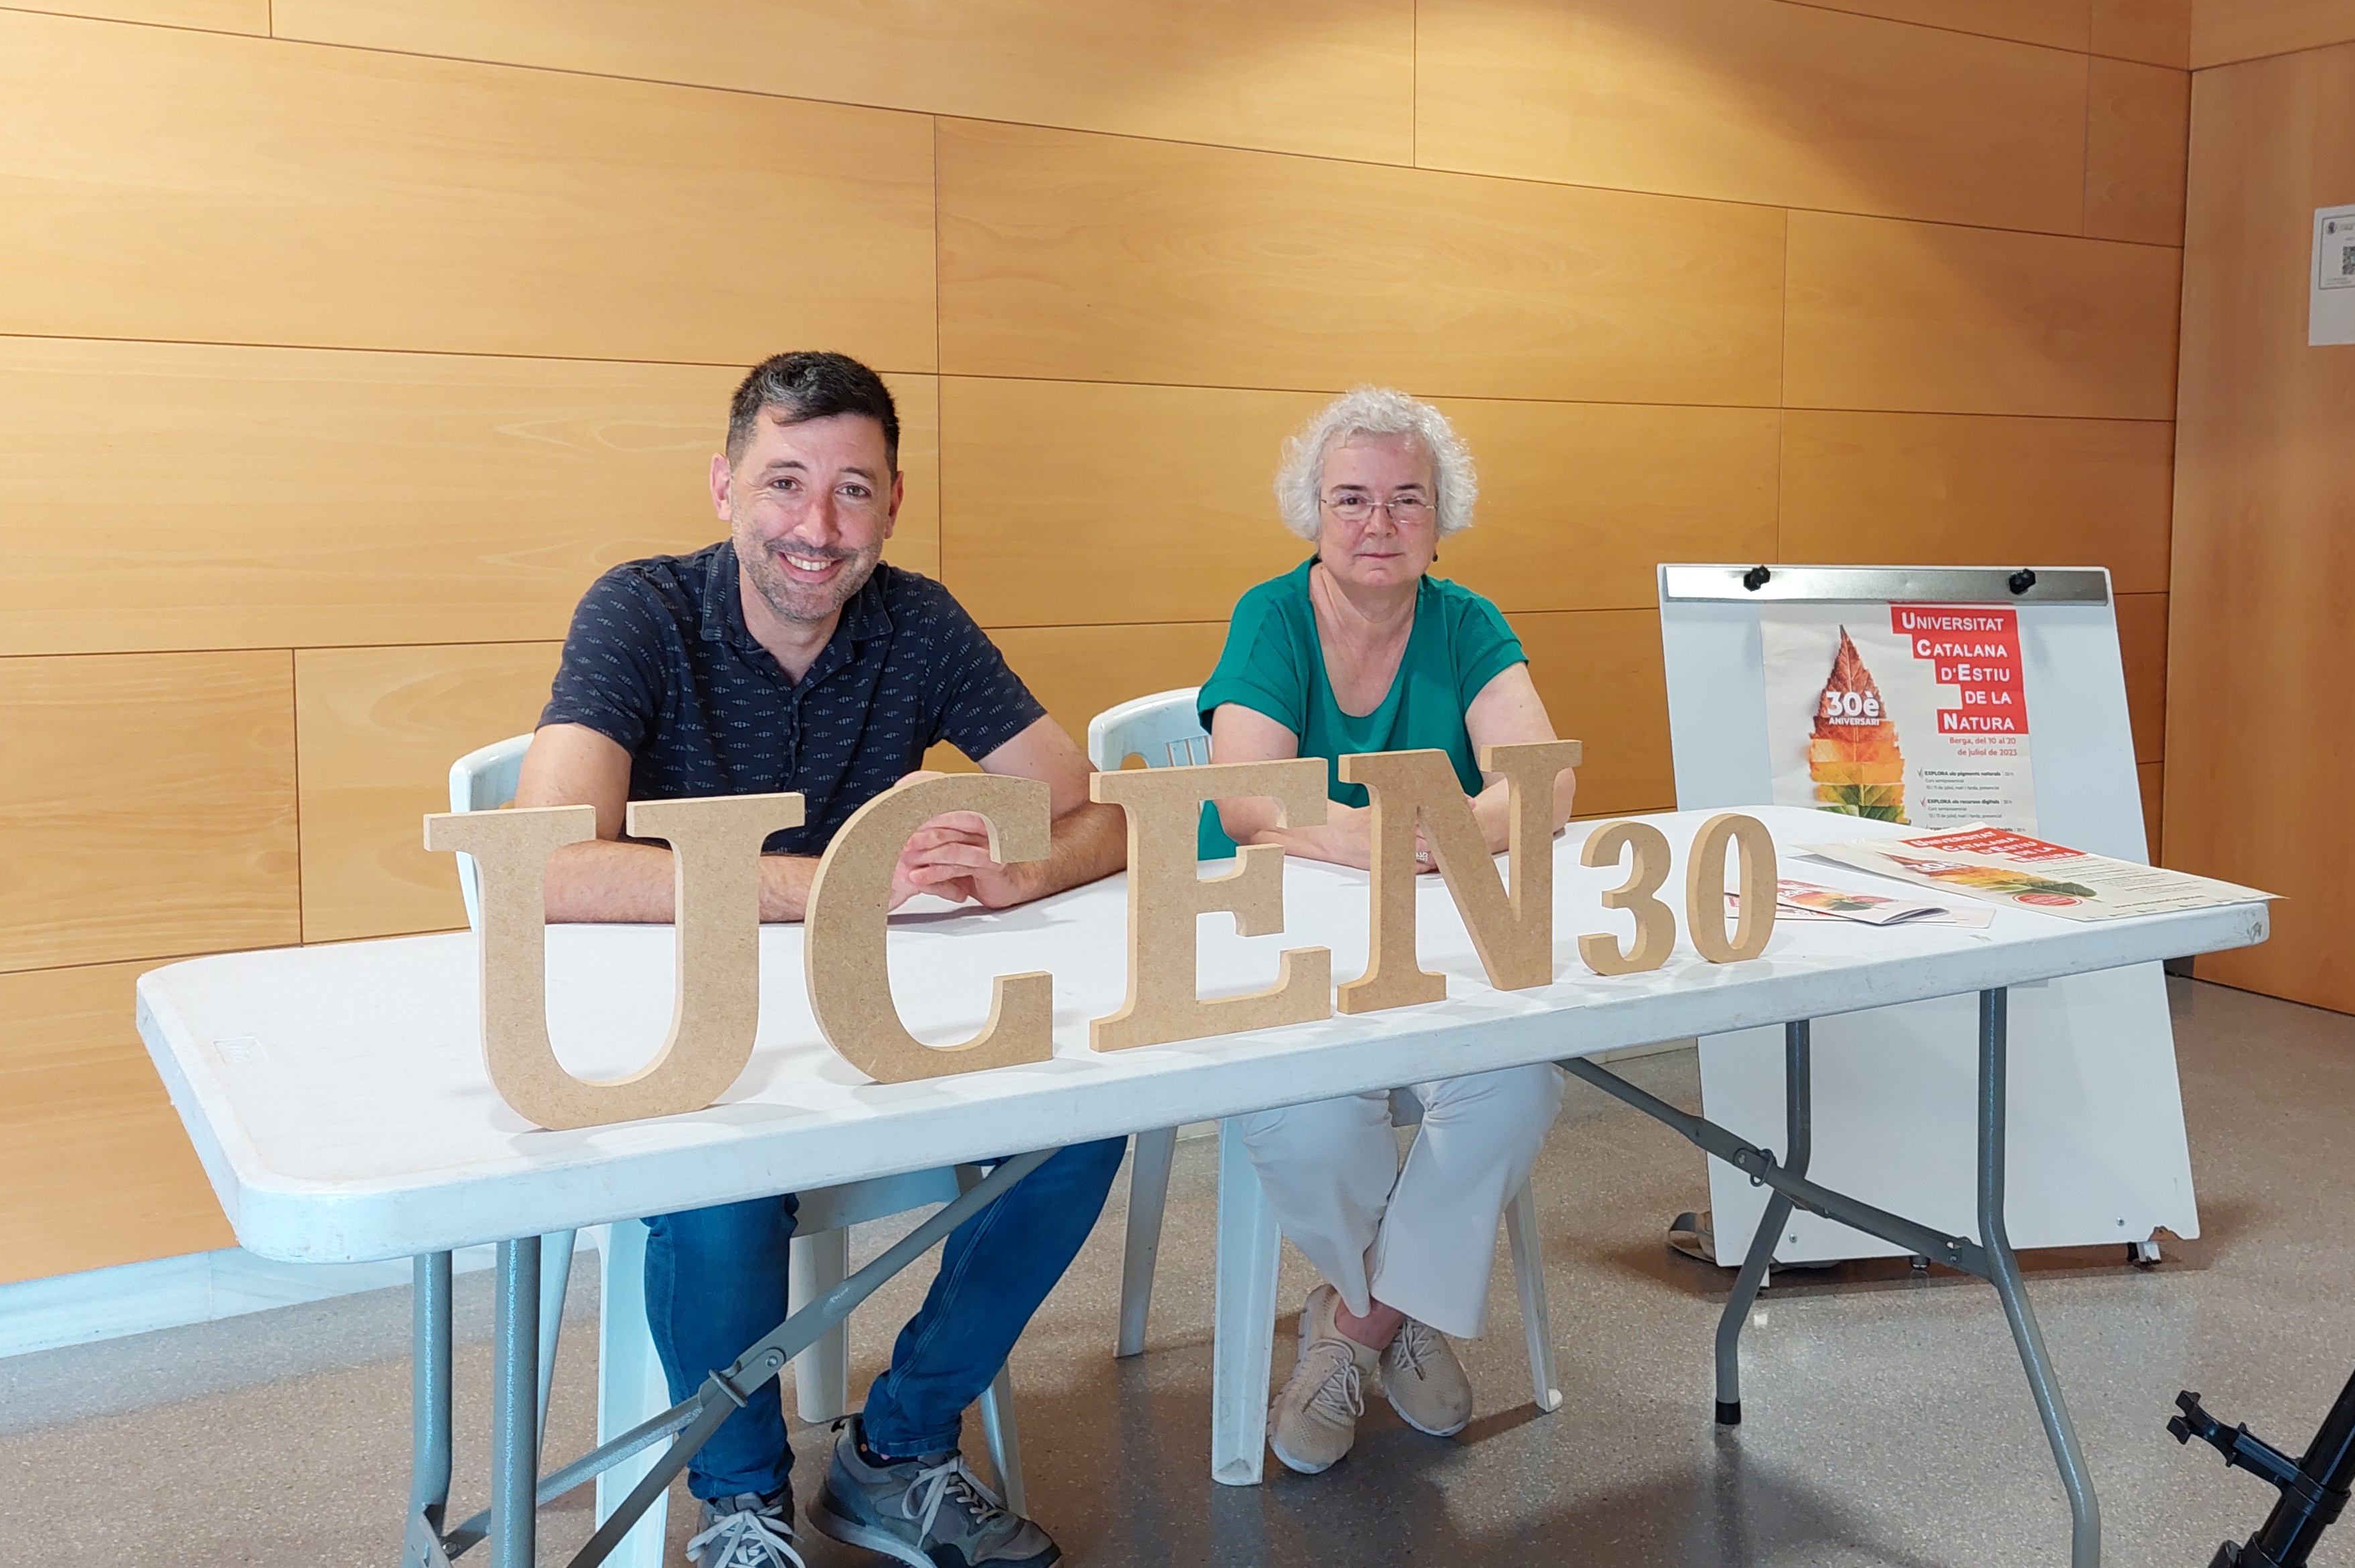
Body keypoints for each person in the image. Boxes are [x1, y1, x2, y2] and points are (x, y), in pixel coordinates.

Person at [518, 352, 1127, 1568]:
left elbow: (1098, 813)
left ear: (893, 505)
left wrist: (1021, 869)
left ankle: (897, 1451)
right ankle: (740, 1500)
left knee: (1081, 1124)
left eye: (855, 490)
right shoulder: (638, 610)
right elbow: (546, 866)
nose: (816, 525)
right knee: (718, 1183)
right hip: (697, 1024)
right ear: (723, 487)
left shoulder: (919, 618)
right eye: (784, 482)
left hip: (884, 1026)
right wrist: (841, 888)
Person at [1196, 386, 1575, 1476]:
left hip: (1439, 949)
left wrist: (1433, 829)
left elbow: (1542, 793)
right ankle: (1403, 1306)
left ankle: (1351, 1325)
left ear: (1438, 517)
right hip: (1287, 954)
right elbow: (1247, 798)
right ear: (1312, 512)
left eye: (1407, 499)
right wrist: (1393, 836)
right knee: (1311, 1119)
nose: (1379, 522)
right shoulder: (1271, 615)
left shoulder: (1467, 622)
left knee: (1520, 1083)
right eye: (1351, 498)